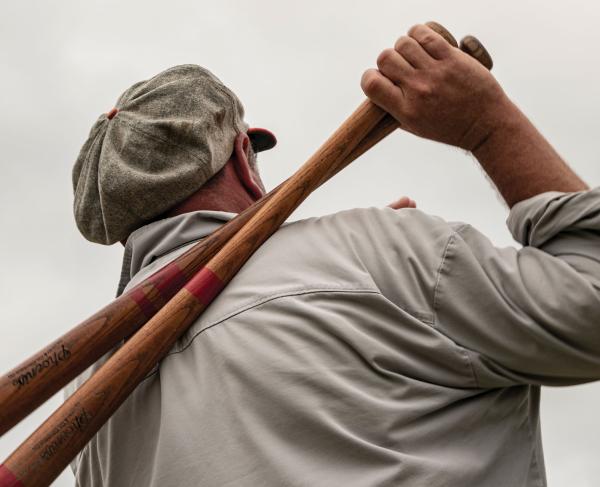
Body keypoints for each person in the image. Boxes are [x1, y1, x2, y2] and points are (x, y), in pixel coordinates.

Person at [67, 24, 600, 487]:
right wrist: (485, 124)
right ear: (243, 160)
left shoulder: (84, 398)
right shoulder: (370, 255)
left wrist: (380, 289)